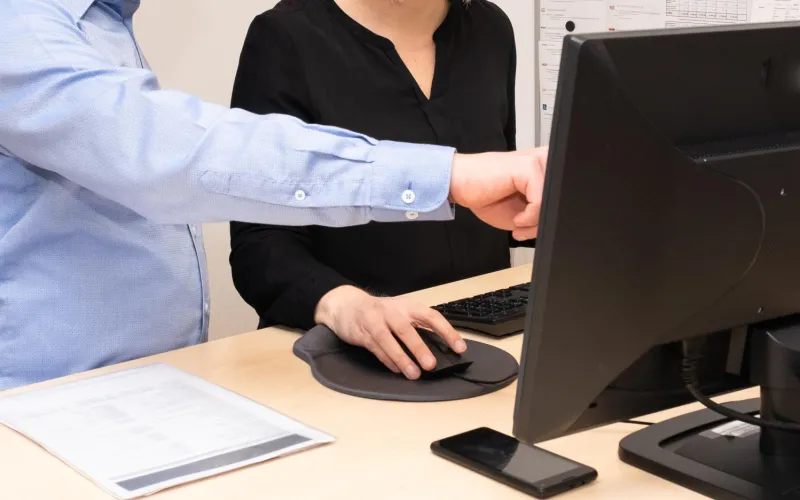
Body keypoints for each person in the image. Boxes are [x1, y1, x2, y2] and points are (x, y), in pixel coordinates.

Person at [0, 0, 547, 391]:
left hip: (142, 383)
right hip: (42, 400)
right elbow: (175, 155)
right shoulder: (21, 27)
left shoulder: (102, 24)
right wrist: (445, 175)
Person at [228, 0, 530, 380]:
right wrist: (341, 303)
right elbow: (259, 244)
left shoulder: (490, 28)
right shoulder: (286, 37)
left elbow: (501, 204)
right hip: (350, 363)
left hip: (485, 351)